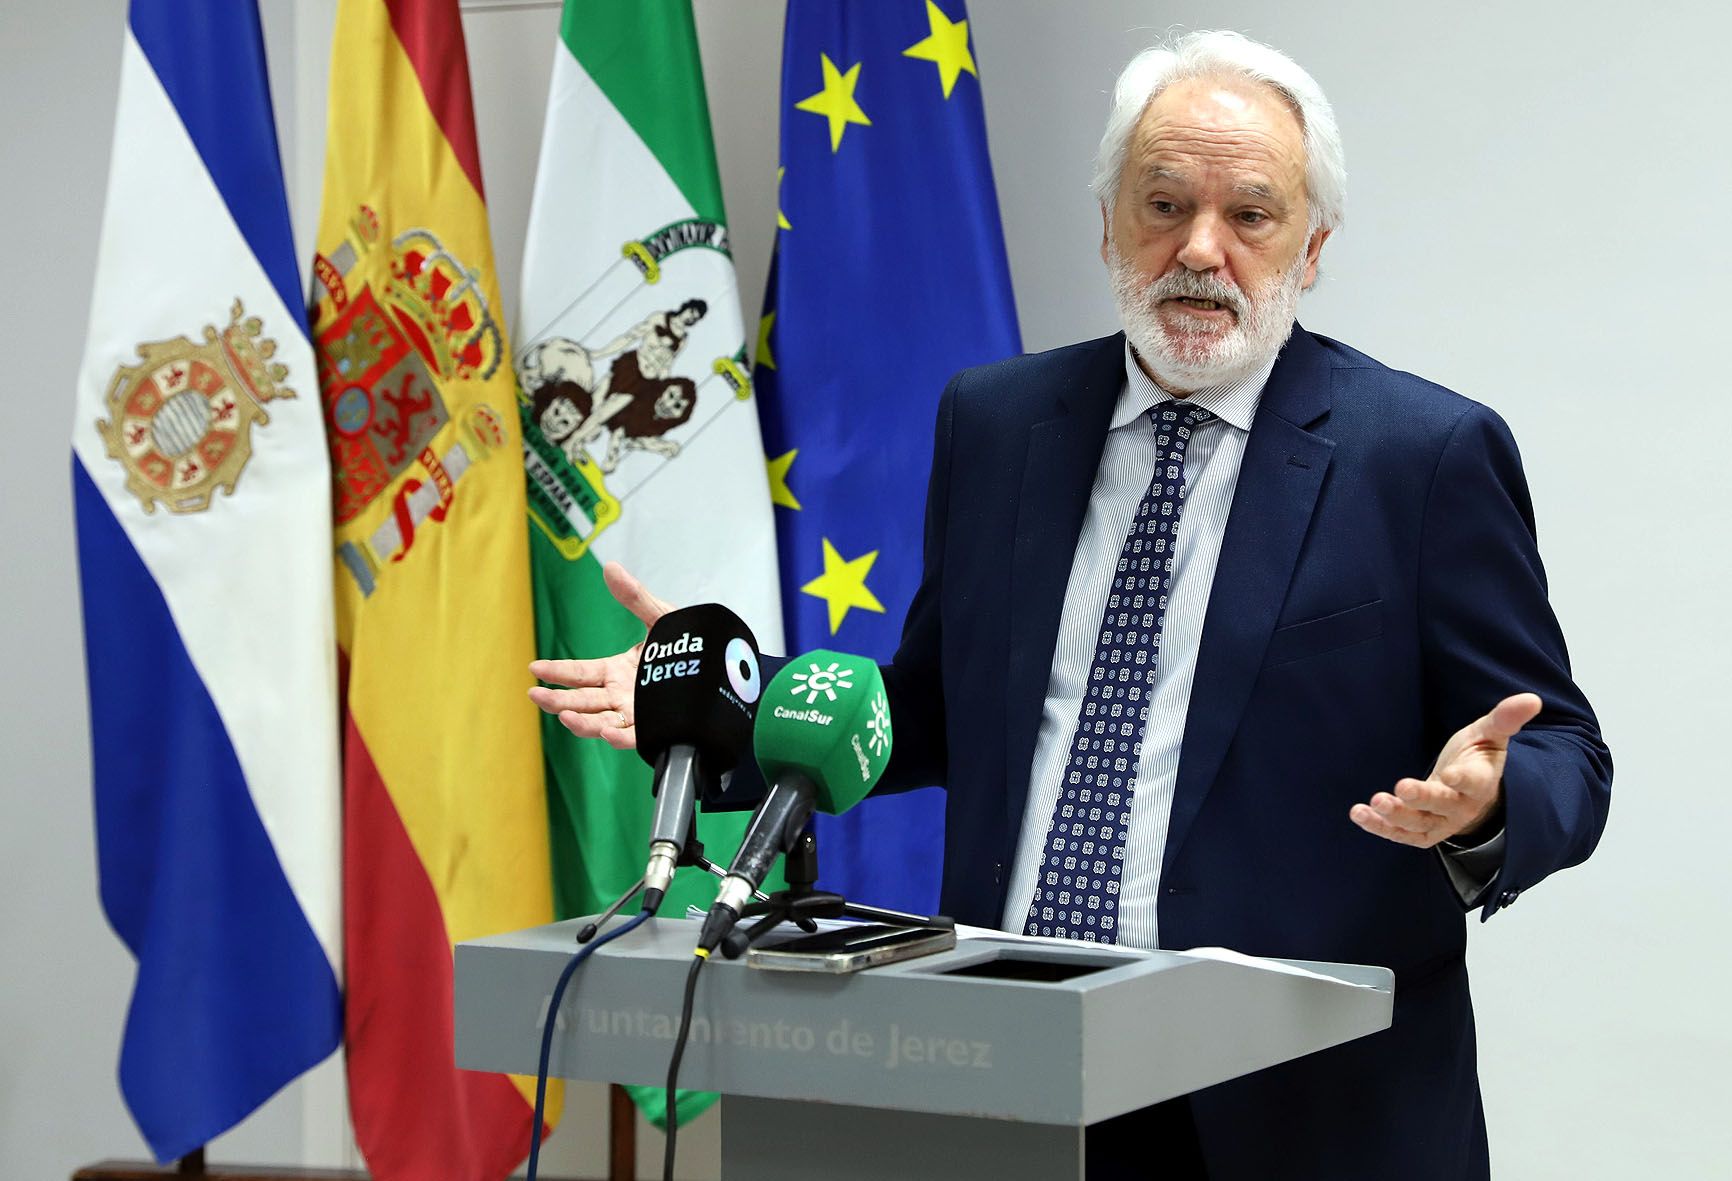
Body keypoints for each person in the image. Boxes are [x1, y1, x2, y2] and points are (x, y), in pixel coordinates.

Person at [528, 30, 1610, 1181]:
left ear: (1313, 246)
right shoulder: (998, 422)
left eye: (1250, 215)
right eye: (1162, 203)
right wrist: (727, 716)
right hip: (1013, 1064)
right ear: (1108, 223)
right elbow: (939, 704)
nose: (1200, 249)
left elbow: (1563, 751)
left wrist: (1488, 801)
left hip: (1295, 1105)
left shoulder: (1422, 454)